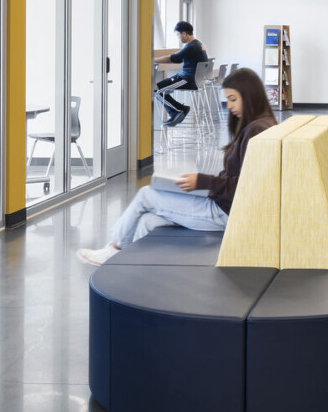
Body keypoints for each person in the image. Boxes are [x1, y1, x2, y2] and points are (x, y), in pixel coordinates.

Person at [80, 68, 277, 264]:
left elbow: (244, 187)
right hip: (224, 205)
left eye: (233, 99)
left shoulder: (255, 130)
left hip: (223, 212)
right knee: (147, 221)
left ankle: (113, 249)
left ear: (249, 95)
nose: (230, 105)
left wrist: (202, 181)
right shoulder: (263, 124)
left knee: (146, 195)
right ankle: (131, 265)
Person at [154, 20, 208, 127]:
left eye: (178, 34)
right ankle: (178, 110)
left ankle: (177, 110)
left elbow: (174, 58)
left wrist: (153, 60)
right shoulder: (199, 44)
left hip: (187, 79)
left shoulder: (191, 46)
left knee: (157, 90)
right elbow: (179, 59)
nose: (178, 37)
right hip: (193, 79)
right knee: (160, 88)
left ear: (184, 33)